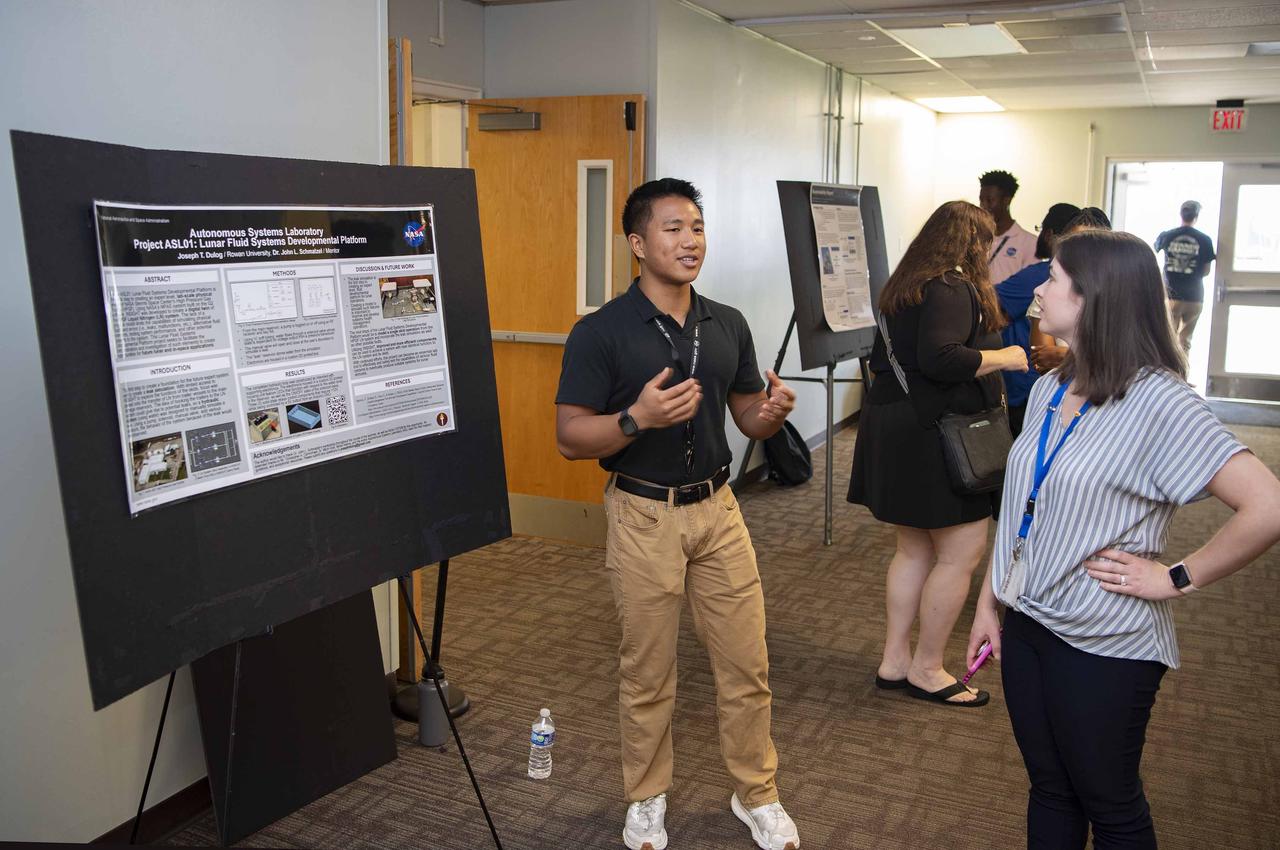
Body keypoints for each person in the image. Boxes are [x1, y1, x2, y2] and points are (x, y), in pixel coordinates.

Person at [967, 230, 1280, 849]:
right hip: (1028, 622)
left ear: (1094, 297)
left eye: (1053, 277)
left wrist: (1175, 577)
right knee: (1050, 789)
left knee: (1109, 804)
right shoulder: (1054, 385)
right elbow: (1026, 506)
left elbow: (1267, 506)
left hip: (1105, 640)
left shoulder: (1160, 401)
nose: (1038, 288)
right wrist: (989, 601)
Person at [555, 178, 801, 850]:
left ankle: (757, 793)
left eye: (696, 227)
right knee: (649, 672)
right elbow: (570, 437)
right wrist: (636, 418)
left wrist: (772, 414)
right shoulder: (601, 332)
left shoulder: (727, 323)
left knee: (747, 664)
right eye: (673, 228)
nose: (690, 241)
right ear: (638, 244)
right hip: (643, 514)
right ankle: (646, 797)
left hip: (719, 509)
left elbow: (747, 416)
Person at [848, 200, 1029, 708]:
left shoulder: (904, 288)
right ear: (972, 243)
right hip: (935, 438)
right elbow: (942, 358)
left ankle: (895, 661)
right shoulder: (950, 287)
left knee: (913, 550)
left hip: (899, 428)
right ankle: (927, 669)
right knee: (960, 554)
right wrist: (1006, 356)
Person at [995, 202, 1080, 435]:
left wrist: (1069, 357)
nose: (1041, 291)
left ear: (1051, 235)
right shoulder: (1041, 282)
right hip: (1038, 384)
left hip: (1028, 388)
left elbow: (989, 308)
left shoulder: (1037, 274)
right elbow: (1042, 353)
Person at [1028, 207, 1113, 376]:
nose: (1079, 252)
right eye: (1072, 243)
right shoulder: (1046, 293)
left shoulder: (1120, 294)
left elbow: (1124, 360)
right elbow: (1043, 361)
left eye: (1089, 245)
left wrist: (1064, 355)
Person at [1155, 200, 1216, 353]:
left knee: (1168, 341)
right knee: (1185, 342)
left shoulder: (1167, 236)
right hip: (1195, 297)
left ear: (1180, 214)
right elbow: (1206, 271)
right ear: (1196, 217)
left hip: (1171, 296)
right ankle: (1183, 367)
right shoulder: (1205, 240)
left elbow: (1154, 250)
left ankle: (1168, 367)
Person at [979, 170, 1038, 286]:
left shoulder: (1029, 243)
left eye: (989, 200)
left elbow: (1030, 285)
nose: (983, 206)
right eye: (981, 200)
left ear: (1007, 200)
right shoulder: (977, 238)